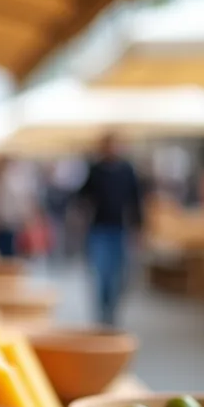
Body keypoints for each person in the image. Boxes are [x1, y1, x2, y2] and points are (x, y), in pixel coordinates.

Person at [77, 133, 143, 326]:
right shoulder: (96, 170)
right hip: (98, 229)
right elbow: (81, 197)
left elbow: (136, 201)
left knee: (119, 273)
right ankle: (103, 310)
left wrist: (138, 228)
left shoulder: (127, 171)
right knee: (101, 273)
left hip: (120, 229)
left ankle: (112, 308)